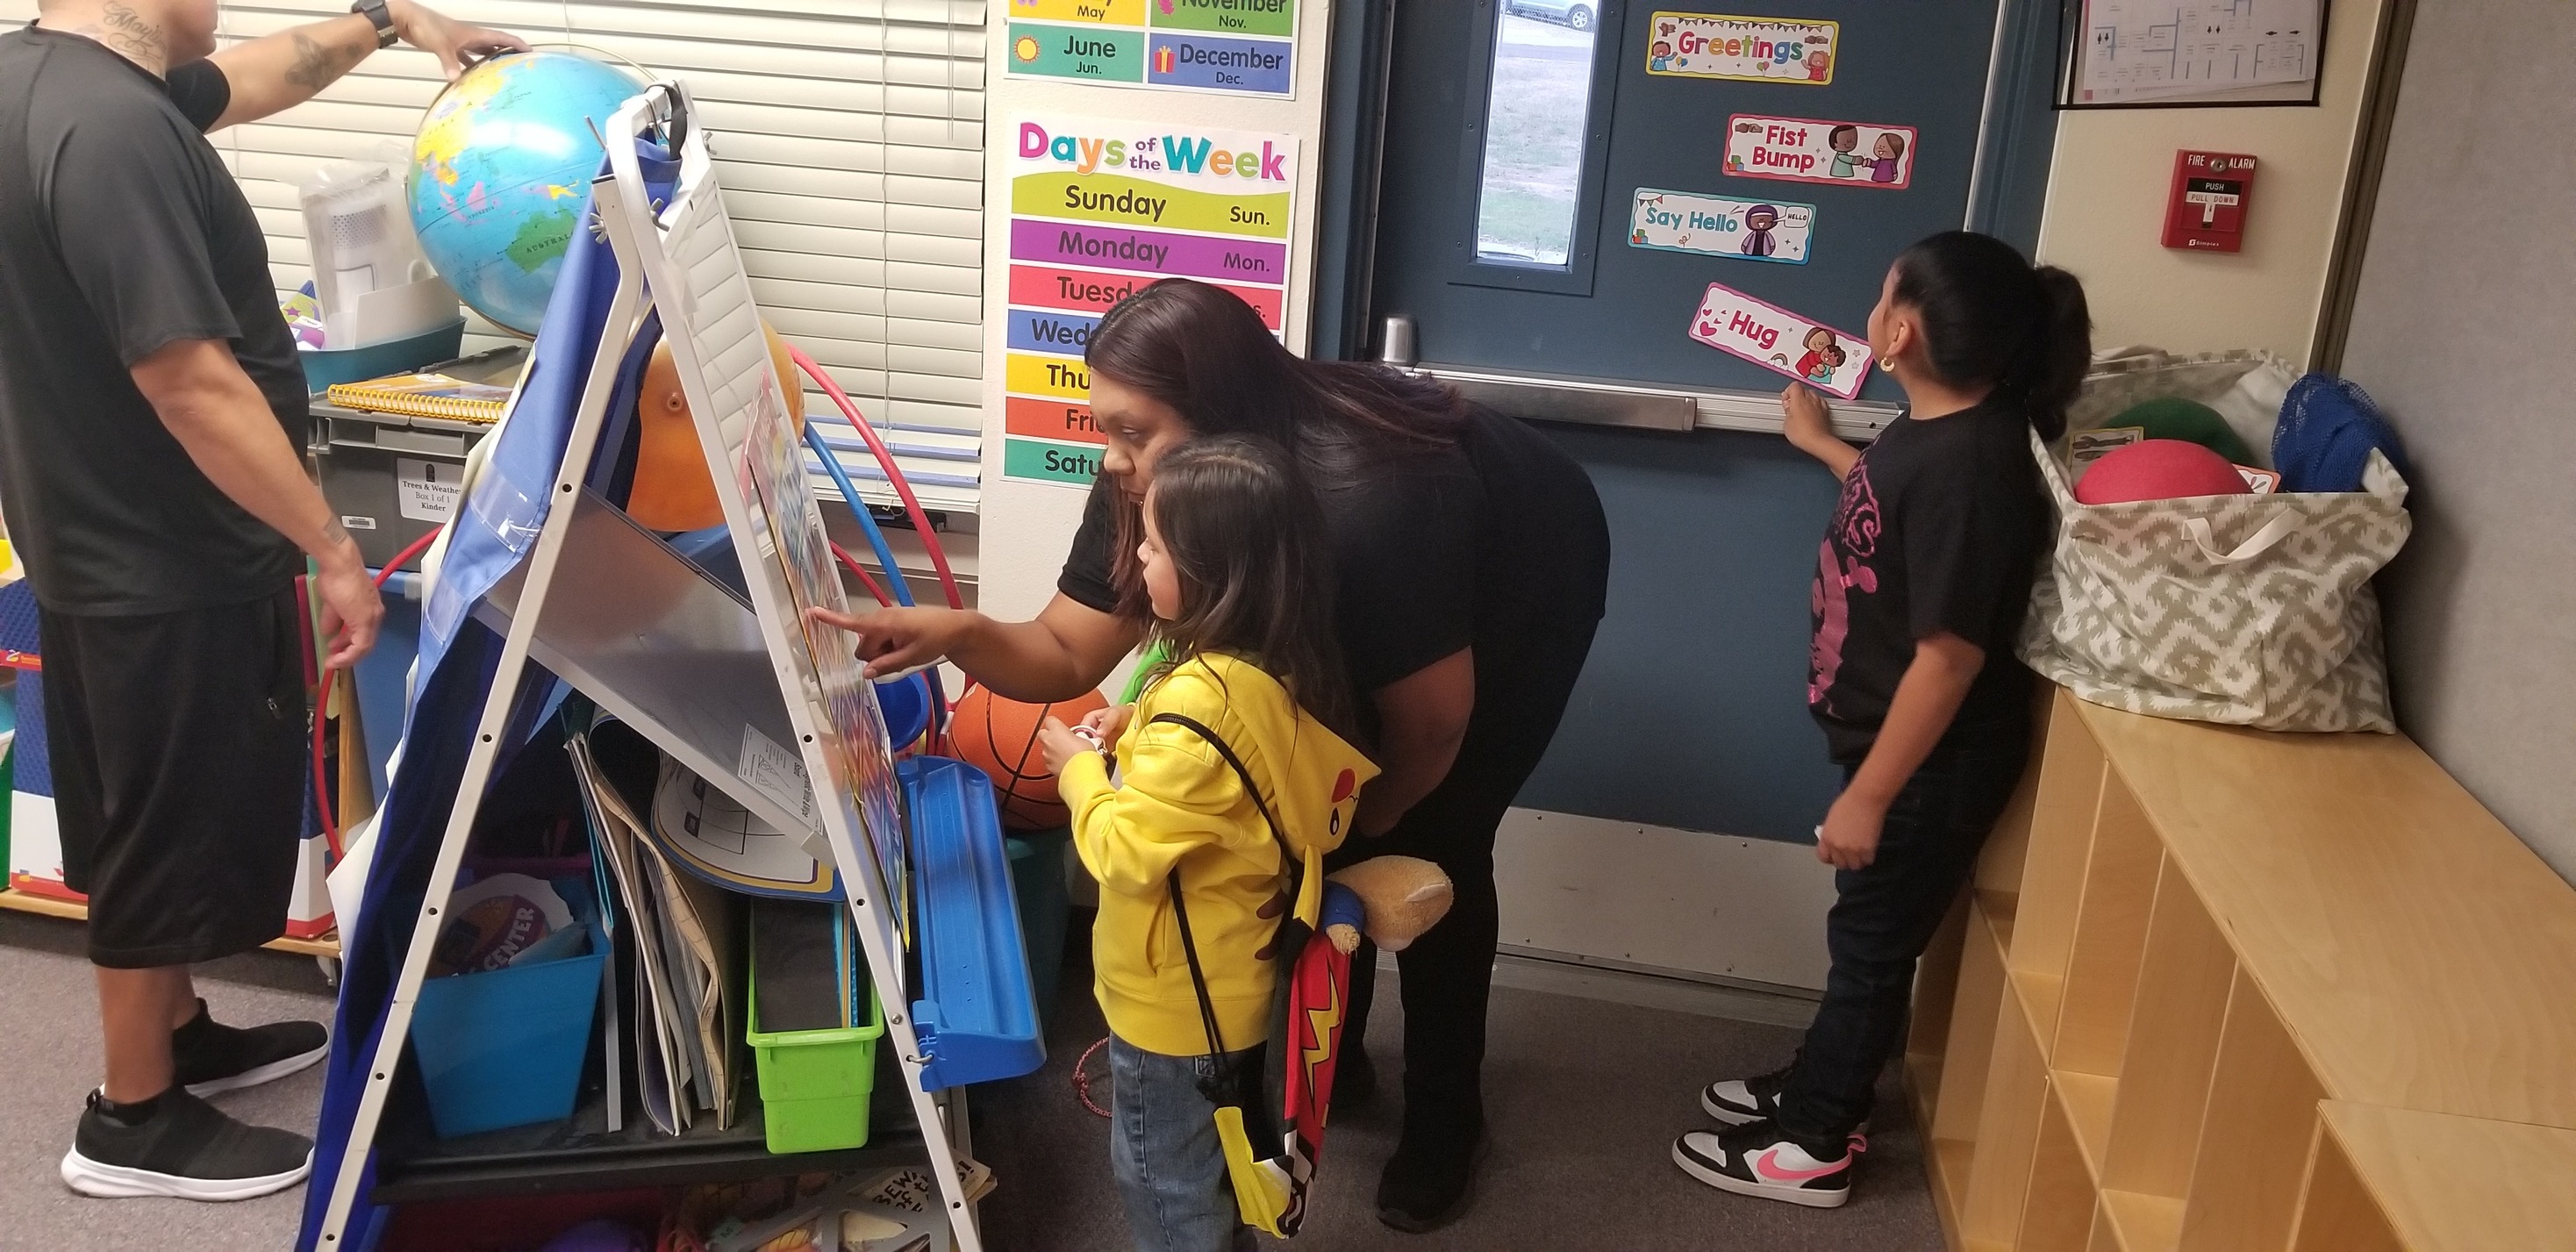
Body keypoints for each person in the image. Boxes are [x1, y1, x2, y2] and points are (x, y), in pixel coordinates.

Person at [812, 278, 1611, 1232]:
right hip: (1337, 563)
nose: (1111, 460)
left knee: (1434, 838)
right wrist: (960, 630)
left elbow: (1432, 727)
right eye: (1102, 427)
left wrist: (1344, 831)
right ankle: (1335, 1056)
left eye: (1131, 432)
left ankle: (1445, 1123)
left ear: (1217, 416)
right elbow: (1068, 649)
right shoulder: (1154, 476)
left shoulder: (1374, 500)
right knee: (1300, 819)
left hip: (1526, 560)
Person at [0, 0, 522, 1202]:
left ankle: (178, 1034)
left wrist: (392, 25)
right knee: (156, 823)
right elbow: (188, 378)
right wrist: (329, 546)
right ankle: (131, 1116)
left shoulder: (60, 89)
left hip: (93, 533)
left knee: (146, 800)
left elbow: (249, 78)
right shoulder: (113, 133)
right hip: (159, 554)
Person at [1673, 232, 2088, 1208]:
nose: (1870, 311)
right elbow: (1889, 520)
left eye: (1878, 294)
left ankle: (1816, 1138)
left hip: (1924, 768)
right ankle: (1822, 1080)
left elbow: (1948, 657)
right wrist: (1825, 449)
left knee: (1869, 947)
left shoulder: (1973, 467)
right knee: (1865, 935)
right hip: (1894, 756)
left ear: (1897, 331)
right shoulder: (1933, 429)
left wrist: (1868, 795)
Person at [1033, 437, 1379, 1252]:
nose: (1139, 557)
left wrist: (1079, 771)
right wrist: (1134, 723)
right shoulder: (1262, 671)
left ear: (1208, 569)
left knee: (1165, 1183)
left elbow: (1120, 849)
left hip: (1172, 1008)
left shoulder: (1196, 709)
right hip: (1233, 979)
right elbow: (1221, 772)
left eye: (1152, 545)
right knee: (1219, 1161)